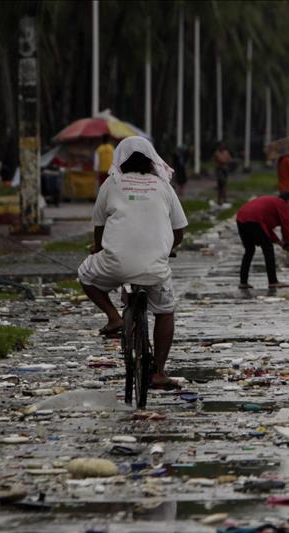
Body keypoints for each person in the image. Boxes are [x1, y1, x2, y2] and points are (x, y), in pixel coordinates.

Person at [78, 136, 187, 390]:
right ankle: (158, 372)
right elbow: (179, 231)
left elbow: (99, 228)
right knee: (165, 311)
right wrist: (165, 249)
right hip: (155, 268)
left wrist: (98, 248)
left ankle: (114, 317)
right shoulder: (163, 187)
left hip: (115, 263)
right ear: (151, 159)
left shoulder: (111, 184)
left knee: (85, 274)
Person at [235, 192, 289, 289]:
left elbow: (266, 228)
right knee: (268, 248)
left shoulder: (271, 203)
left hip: (241, 218)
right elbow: (286, 226)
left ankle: (243, 282)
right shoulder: (282, 204)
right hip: (254, 219)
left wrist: (280, 243)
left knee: (249, 250)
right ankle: (273, 281)